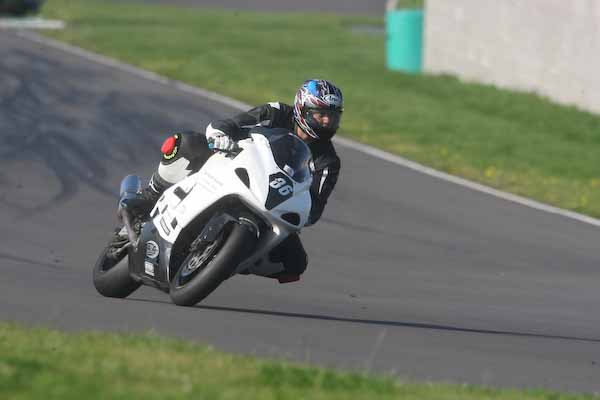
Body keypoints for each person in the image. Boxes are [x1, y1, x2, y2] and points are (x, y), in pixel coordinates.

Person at [114, 79, 343, 283]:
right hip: (235, 162)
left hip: (272, 201)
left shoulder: (329, 162)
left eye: (332, 117)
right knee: (186, 143)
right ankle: (150, 194)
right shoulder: (276, 112)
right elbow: (233, 123)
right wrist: (221, 135)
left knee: (295, 263)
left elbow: (314, 208)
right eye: (320, 114)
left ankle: (233, 258)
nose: (326, 122)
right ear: (302, 109)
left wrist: (299, 210)